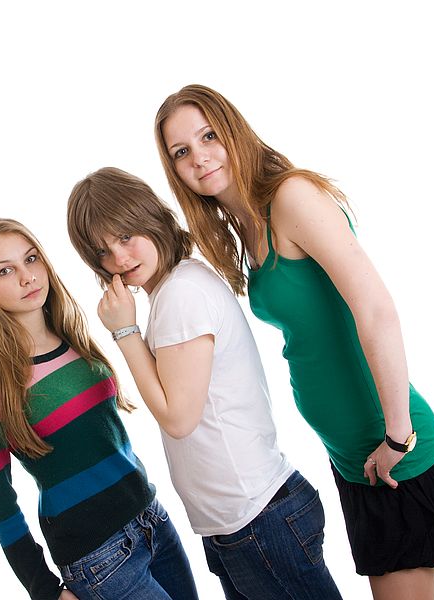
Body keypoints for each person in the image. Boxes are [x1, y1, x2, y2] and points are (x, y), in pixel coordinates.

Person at [154, 84, 434, 600]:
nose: (200, 157)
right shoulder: (244, 226)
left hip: (393, 449)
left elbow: (376, 310)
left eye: (208, 136)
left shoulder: (290, 198)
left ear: (233, 131)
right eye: (181, 152)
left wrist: (398, 436)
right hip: (356, 455)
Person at [66, 167, 343, 600]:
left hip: (257, 519)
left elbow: (179, 418)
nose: (119, 259)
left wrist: (125, 333)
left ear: (151, 217)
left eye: (126, 236)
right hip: (242, 521)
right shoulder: (172, 288)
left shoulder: (182, 294)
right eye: (103, 251)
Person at [0, 218, 198, 600]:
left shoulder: (71, 334)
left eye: (31, 259)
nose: (27, 277)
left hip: (153, 520)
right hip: (99, 558)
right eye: (5, 270)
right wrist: (44, 590)